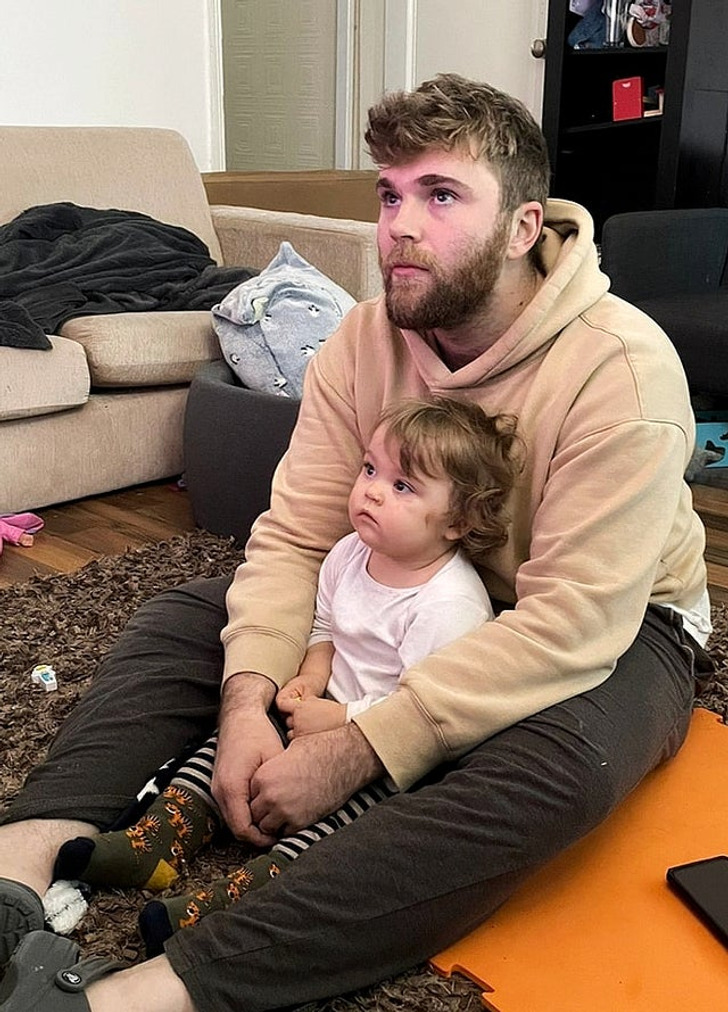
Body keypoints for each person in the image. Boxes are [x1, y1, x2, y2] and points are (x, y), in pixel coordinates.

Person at [0, 72, 712, 1012]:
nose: (399, 227)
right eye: (389, 194)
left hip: (617, 620)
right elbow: (297, 537)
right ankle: (18, 869)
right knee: (189, 616)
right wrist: (248, 703)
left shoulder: (622, 371)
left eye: (441, 195)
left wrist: (364, 746)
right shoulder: (362, 340)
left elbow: (573, 624)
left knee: (566, 767)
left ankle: (139, 995)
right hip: (400, 577)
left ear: (523, 227)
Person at [51, 396, 521, 956]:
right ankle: (159, 839)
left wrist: (341, 720)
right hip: (324, 706)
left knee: (350, 823)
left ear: (459, 521)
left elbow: (424, 706)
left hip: (384, 741)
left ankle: (239, 899)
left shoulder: (449, 604)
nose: (371, 491)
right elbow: (325, 625)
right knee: (225, 743)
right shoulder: (350, 553)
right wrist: (310, 677)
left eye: (403, 486)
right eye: (370, 469)